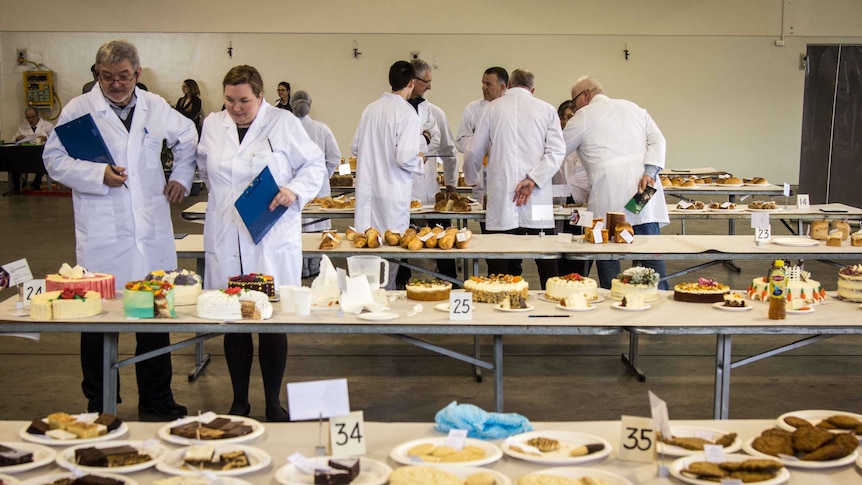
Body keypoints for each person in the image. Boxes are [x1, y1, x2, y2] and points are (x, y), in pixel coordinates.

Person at [42, 39, 197, 418]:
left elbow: (188, 137)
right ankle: (100, 402)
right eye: (108, 77)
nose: (116, 84)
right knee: (96, 321)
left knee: (155, 318)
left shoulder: (154, 106)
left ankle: (157, 400)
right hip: (103, 235)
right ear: (97, 74)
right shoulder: (80, 110)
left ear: (137, 74)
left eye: (124, 76)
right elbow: (53, 159)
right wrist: (97, 174)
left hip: (150, 232)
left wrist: (180, 175)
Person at [197, 65, 325, 421]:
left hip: (271, 234)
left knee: (271, 318)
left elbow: (315, 165)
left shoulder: (283, 123)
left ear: (261, 96)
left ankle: (272, 401)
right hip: (226, 231)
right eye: (229, 100)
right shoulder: (213, 124)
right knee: (233, 319)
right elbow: (205, 168)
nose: (236, 108)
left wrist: (292, 190)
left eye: (244, 101)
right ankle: (239, 400)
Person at [562, 75, 669, 289]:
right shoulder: (633, 108)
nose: (575, 108)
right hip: (643, 189)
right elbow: (658, 139)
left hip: (609, 192)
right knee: (648, 247)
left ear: (585, 96)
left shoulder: (583, 116)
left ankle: (613, 298)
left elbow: (558, 150)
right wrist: (650, 170)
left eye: (574, 103)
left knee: (608, 252)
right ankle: (659, 299)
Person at [464, 69, 564, 288]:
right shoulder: (547, 110)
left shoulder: (492, 108)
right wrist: (534, 179)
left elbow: (474, 151)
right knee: (546, 260)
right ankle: (555, 304)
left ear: (508, 85)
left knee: (500, 261)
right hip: (537, 198)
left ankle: (498, 307)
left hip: (502, 198)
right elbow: (556, 152)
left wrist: (472, 180)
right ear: (533, 89)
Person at [351, 61, 422, 288]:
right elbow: (404, 157)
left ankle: (365, 309)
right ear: (412, 83)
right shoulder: (407, 113)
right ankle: (386, 310)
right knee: (389, 261)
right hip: (391, 194)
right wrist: (421, 159)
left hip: (368, 193)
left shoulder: (370, 109)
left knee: (366, 260)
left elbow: (355, 147)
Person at [407, 59, 456, 281]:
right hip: (402, 189)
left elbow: (448, 149)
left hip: (429, 188)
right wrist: (423, 139)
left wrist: (451, 182)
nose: (430, 87)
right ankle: (403, 282)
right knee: (403, 242)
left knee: (442, 240)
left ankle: (449, 281)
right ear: (412, 80)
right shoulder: (391, 111)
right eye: (426, 81)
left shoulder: (434, 112)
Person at [289, 90, 341, 279]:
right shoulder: (321, 128)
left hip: (293, 188)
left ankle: (300, 268)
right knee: (319, 228)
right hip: (320, 188)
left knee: (298, 230)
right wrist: (323, 176)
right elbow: (334, 157)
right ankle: (315, 267)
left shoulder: (287, 129)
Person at [455, 66, 508, 232]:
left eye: (488, 84)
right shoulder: (473, 109)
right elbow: (461, 140)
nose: (483, 87)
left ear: (502, 87)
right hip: (482, 179)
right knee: (487, 230)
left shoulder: (510, 109)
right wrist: (478, 144)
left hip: (506, 179)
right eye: (483, 83)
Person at [554, 99, 592, 278]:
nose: (565, 121)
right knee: (559, 247)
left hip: (580, 202)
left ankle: (578, 280)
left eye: (569, 117)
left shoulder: (586, 143)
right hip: (559, 202)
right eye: (562, 117)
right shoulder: (554, 143)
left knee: (578, 247)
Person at [11, 108, 53, 192]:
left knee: (43, 159)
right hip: (26, 154)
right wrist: (17, 139)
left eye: (32, 117)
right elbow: (12, 140)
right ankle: (19, 183)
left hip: (41, 153)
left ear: (37, 116)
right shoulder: (22, 127)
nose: (30, 120)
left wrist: (45, 138)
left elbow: (55, 140)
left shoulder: (48, 126)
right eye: (28, 117)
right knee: (13, 159)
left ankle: (36, 182)